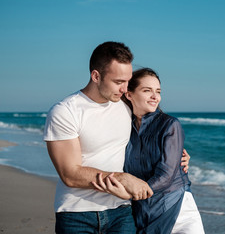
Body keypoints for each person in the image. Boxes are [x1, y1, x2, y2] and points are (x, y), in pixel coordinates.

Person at [43, 42, 190, 233]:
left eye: (127, 81)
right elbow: (69, 174)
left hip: (122, 211)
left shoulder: (126, 106)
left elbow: (155, 133)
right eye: (118, 82)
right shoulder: (65, 111)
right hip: (77, 212)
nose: (124, 89)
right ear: (96, 76)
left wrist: (178, 155)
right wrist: (123, 179)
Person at [93, 68, 204, 234]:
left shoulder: (170, 124)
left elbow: (166, 175)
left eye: (158, 91)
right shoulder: (122, 128)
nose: (155, 97)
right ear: (129, 95)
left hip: (177, 208)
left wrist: (129, 193)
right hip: (142, 211)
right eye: (147, 91)